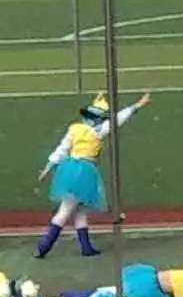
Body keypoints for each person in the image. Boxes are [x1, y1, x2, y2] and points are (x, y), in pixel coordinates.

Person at [33, 97, 151, 260]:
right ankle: (44, 246)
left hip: (70, 170)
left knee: (80, 210)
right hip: (84, 172)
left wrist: (48, 167)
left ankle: (86, 247)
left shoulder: (75, 129)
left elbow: (62, 149)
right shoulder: (98, 131)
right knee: (66, 210)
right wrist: (136, 106)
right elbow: (118, 119)